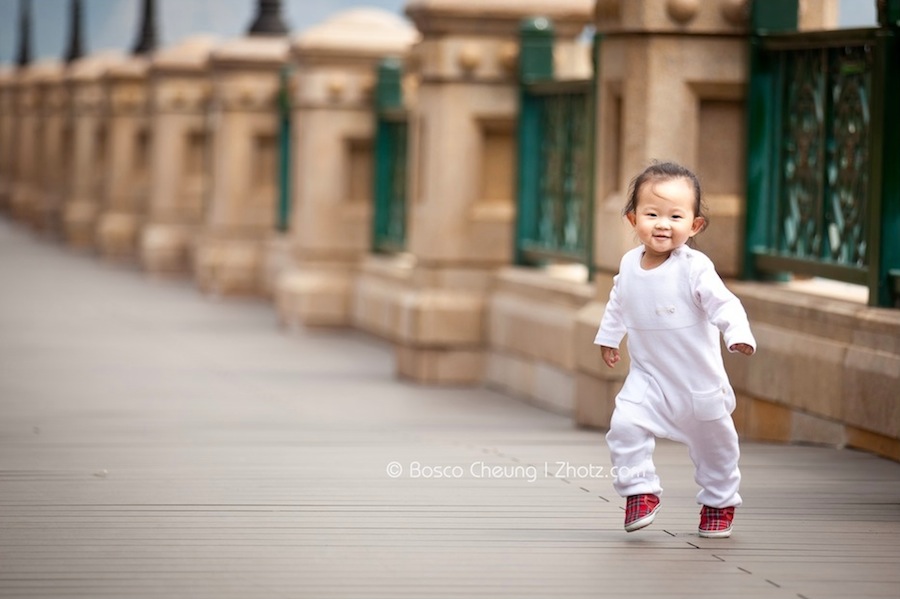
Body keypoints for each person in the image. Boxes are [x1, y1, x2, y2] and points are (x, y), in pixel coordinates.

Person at [595, 161, 756, 538]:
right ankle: (639, 491)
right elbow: (619, 300)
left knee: (716, 446)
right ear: (633, 219)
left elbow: (725, 304)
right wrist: (608, 336)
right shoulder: (628, 265)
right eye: (652, 214)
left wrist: (737, 333)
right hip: (648, 377)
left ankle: (719, 501)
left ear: (695, 225)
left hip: (697, 382)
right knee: (624, 426)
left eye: (675, 216)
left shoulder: (695, 267)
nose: (663, 224)